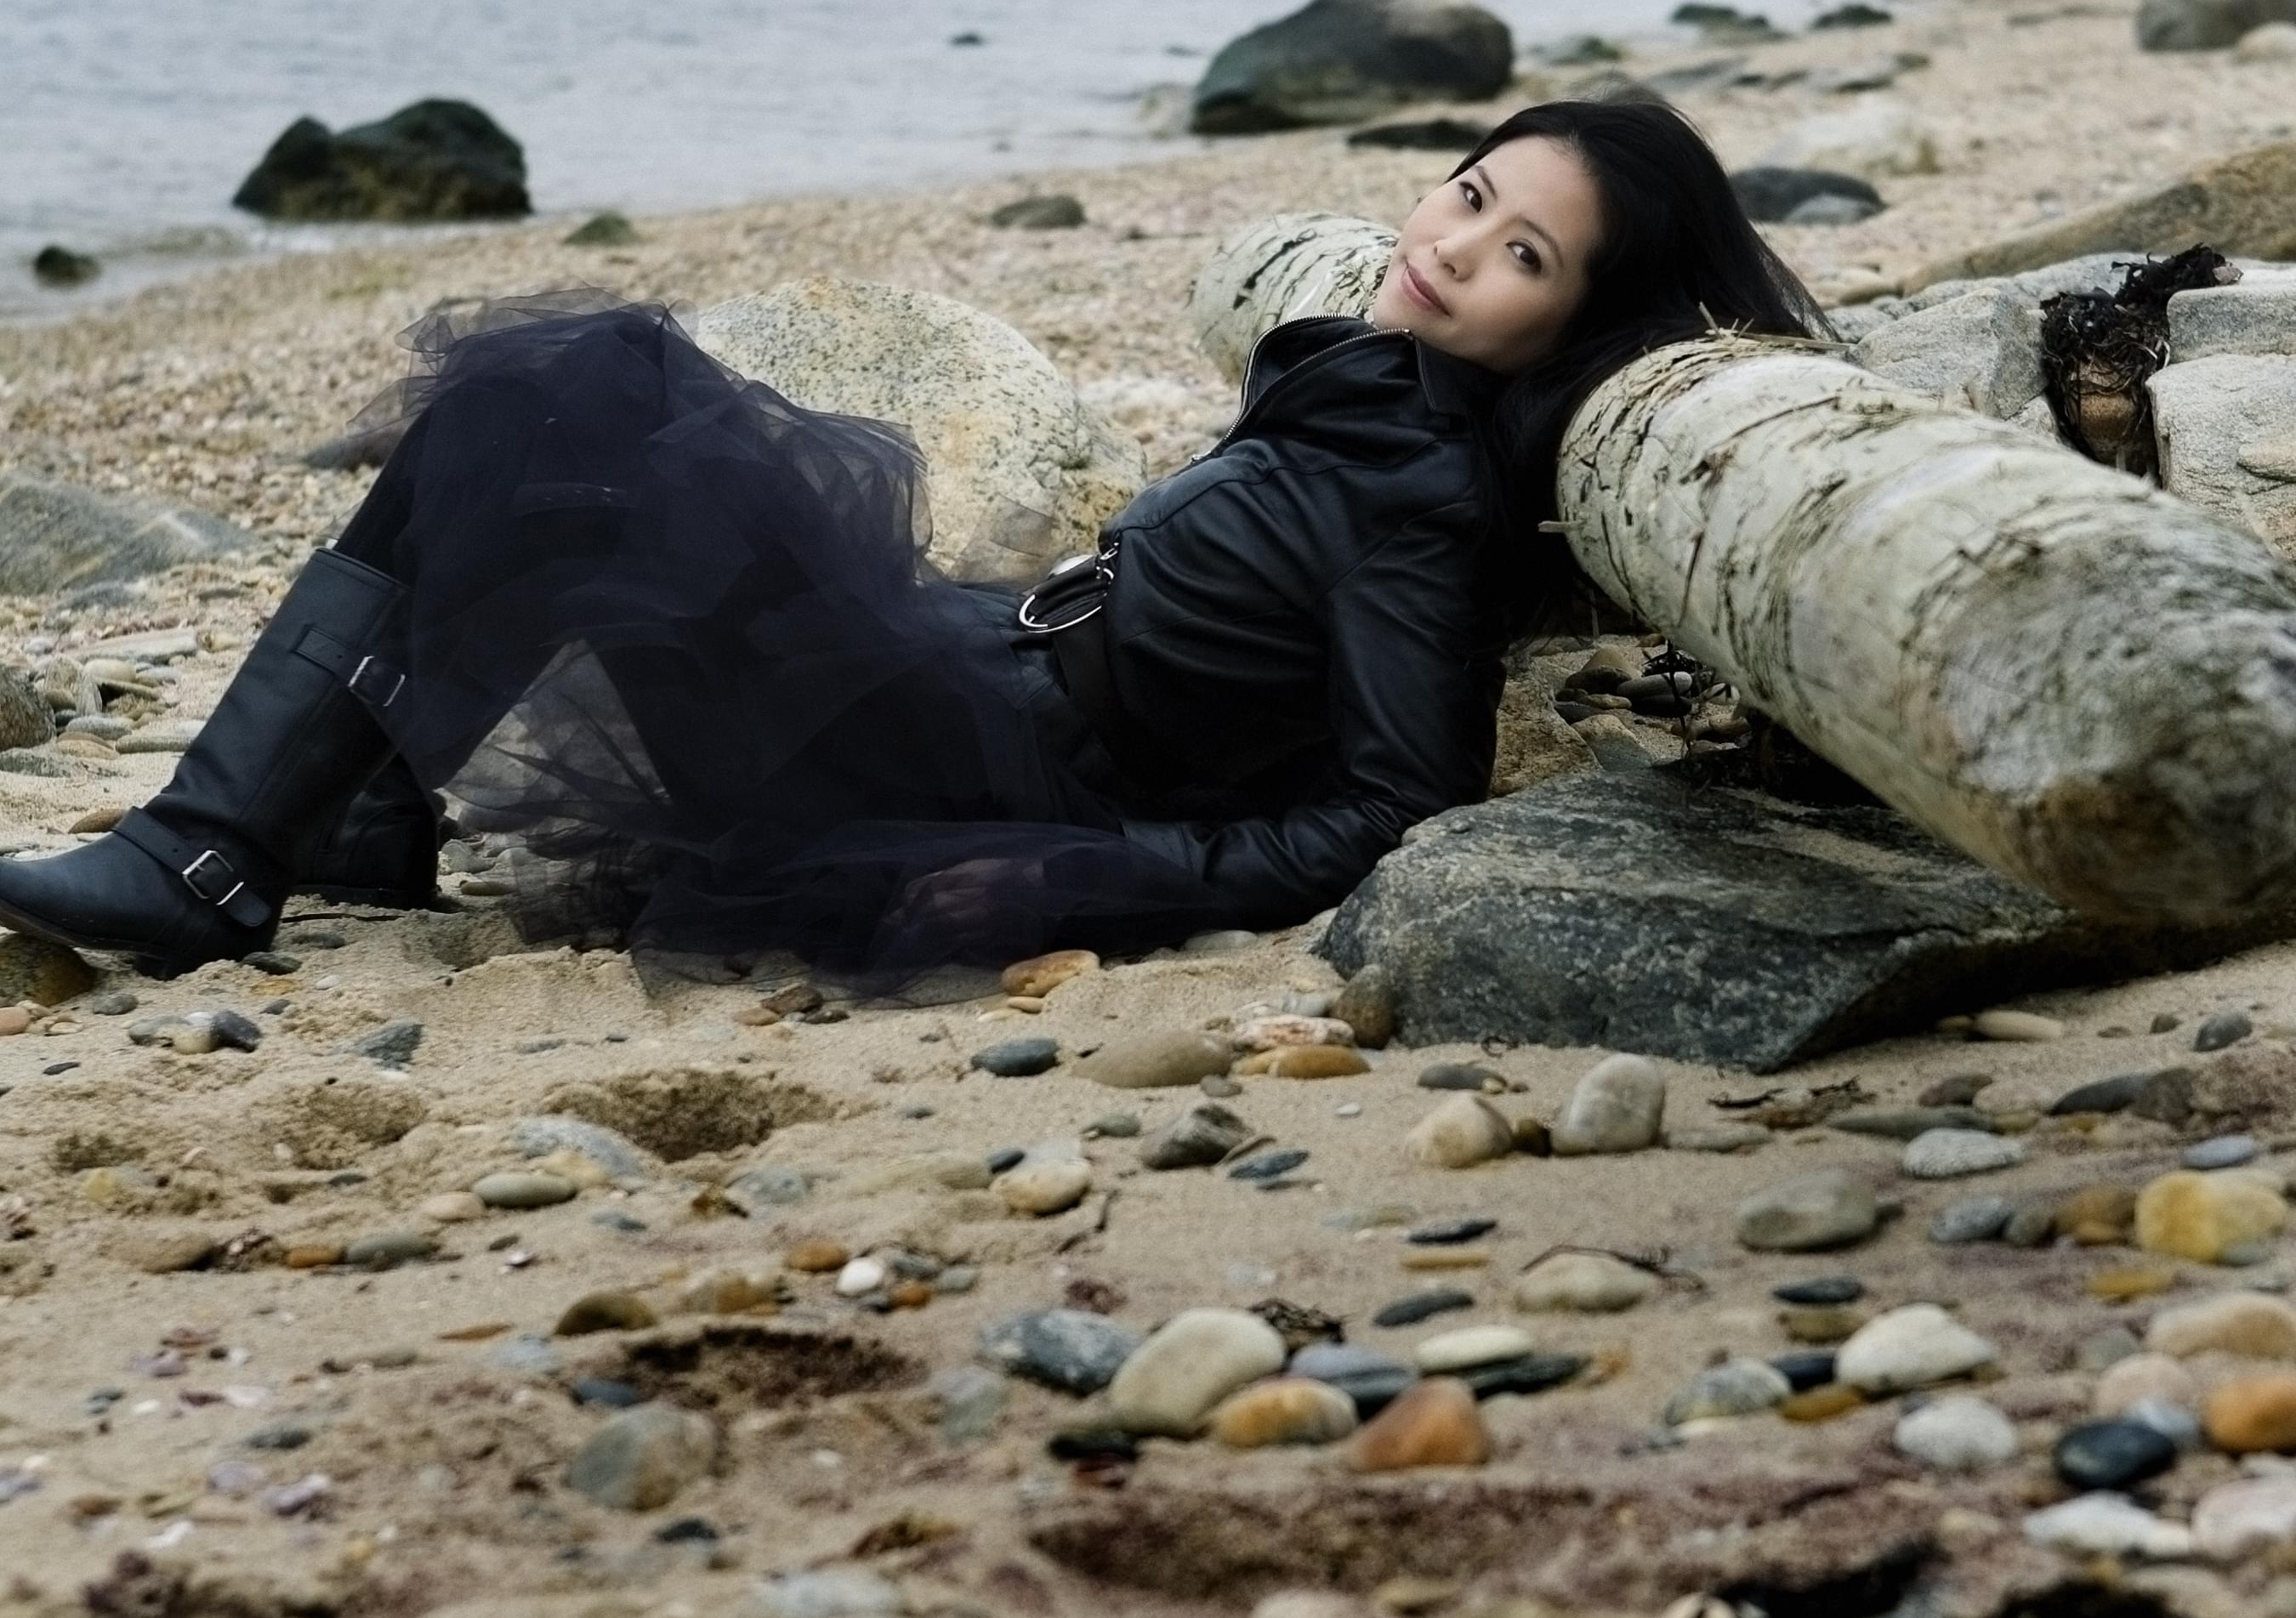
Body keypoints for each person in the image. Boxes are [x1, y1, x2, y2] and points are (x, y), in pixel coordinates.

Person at [0, 99, 1820, 984]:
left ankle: (216, 853)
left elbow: (1390, 807)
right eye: (1472, 190)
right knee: (561, 414)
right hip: (959, 671)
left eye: (1520, 253)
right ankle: (338, 820)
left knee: (571, 391)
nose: (1454, 244)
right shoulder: (1372, 382)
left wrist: (1085, 880)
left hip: (940, 768)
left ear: (1575, 318)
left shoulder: (1422, 501)